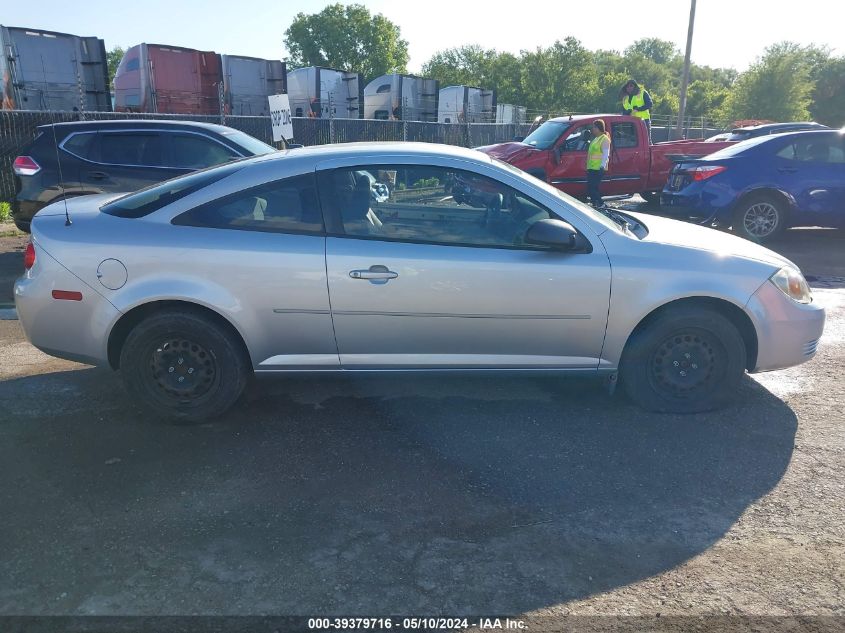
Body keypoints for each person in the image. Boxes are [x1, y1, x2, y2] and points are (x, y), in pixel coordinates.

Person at [586, 119, 611, 207]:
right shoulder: (596, 139)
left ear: (599, 128)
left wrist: (602, 166)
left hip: (598, 168)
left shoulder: (605, 139)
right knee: (591, 188)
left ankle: (601, 204)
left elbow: (605, 155)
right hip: (592, 167)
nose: (592, 129)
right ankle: (595, 204)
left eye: (594, 127)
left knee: (593, 188)